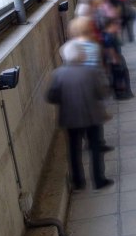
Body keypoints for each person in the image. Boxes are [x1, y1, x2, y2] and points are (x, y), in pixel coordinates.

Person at [46, 40, 114, 191]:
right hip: (92, 116)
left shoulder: (58, 74)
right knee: (95, 148)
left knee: (73, 150)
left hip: (70, 117)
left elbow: (51, 97)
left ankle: (78, 181)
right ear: (81, 55)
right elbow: (102, 93)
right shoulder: (91, 72)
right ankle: (98, 179)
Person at [101, 18, 133, 100]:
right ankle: (122, 94)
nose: (118, 26)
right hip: (115, 58)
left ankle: (124, 92)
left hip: (116, 57)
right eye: (116, 24)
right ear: (111, 25)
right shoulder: (109, 36)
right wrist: (114, 58)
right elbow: (109, 48)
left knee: (121, 75)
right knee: (120, 76)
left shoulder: (109, 34)